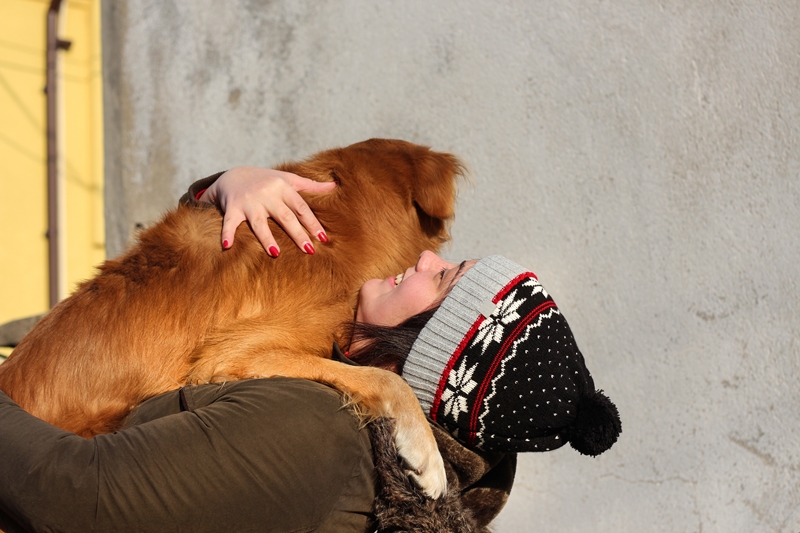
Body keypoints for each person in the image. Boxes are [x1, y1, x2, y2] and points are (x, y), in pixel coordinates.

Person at [0, 168, 621, 533]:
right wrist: (218, 190)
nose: (425, 257)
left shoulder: (321, 430)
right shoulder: (337, 402)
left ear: (434, 353)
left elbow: (69, 492)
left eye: (442, 278)